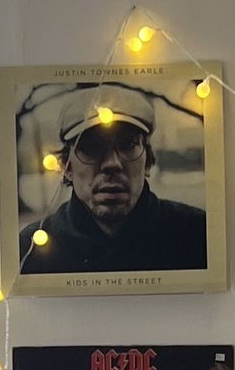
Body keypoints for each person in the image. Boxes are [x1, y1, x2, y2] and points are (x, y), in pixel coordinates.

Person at [20, 86, 208, 276]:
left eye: (128, 145)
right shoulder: (31, 251)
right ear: (67, 167)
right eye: (91, 147)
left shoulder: (199, 236)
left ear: (148, 162)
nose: (112, 164)